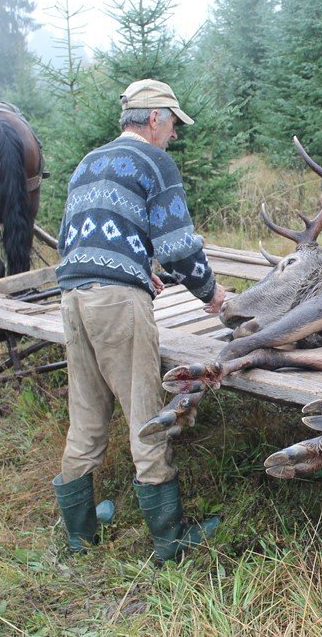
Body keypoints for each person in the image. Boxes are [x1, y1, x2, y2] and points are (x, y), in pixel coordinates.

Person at [52, 78, 226, 564]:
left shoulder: (88, 162)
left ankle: (80, 536)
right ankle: (170, 542)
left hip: (71, 295)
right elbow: (178, 249)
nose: (174, 134)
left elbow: (77, 241)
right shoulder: (154, 161)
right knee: (146, 414)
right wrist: (213, 296)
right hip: (115, 303)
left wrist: (137, 269)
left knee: (86, 417)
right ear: (154, 118)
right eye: (172, 123)